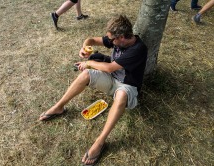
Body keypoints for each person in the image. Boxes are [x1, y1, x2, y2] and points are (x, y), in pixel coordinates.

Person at [39, 15, 148, 165]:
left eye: (112, 40)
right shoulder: (116, 39)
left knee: (121, 95)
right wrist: (85, 47)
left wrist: (89, 62)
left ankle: (100, 141)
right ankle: (59, 107)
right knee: (85, 74)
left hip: (127, 86)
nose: (109, 42)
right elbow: (91, 40)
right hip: (111, 79)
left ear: (122, 37)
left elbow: (109, 67)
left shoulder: (138, 49)